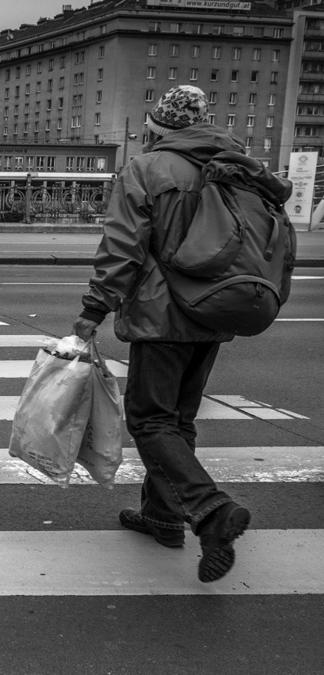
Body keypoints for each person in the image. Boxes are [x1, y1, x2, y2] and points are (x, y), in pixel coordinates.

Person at [73, 84, 257, 583]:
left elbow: (123, 246)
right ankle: (162, 516)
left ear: (157, 127)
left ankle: (211, 511)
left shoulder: (148, 168)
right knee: (179, 418)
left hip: (162, 314)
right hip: (216, 310)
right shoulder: (235, 165)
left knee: (150, 419)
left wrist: (95, 308)